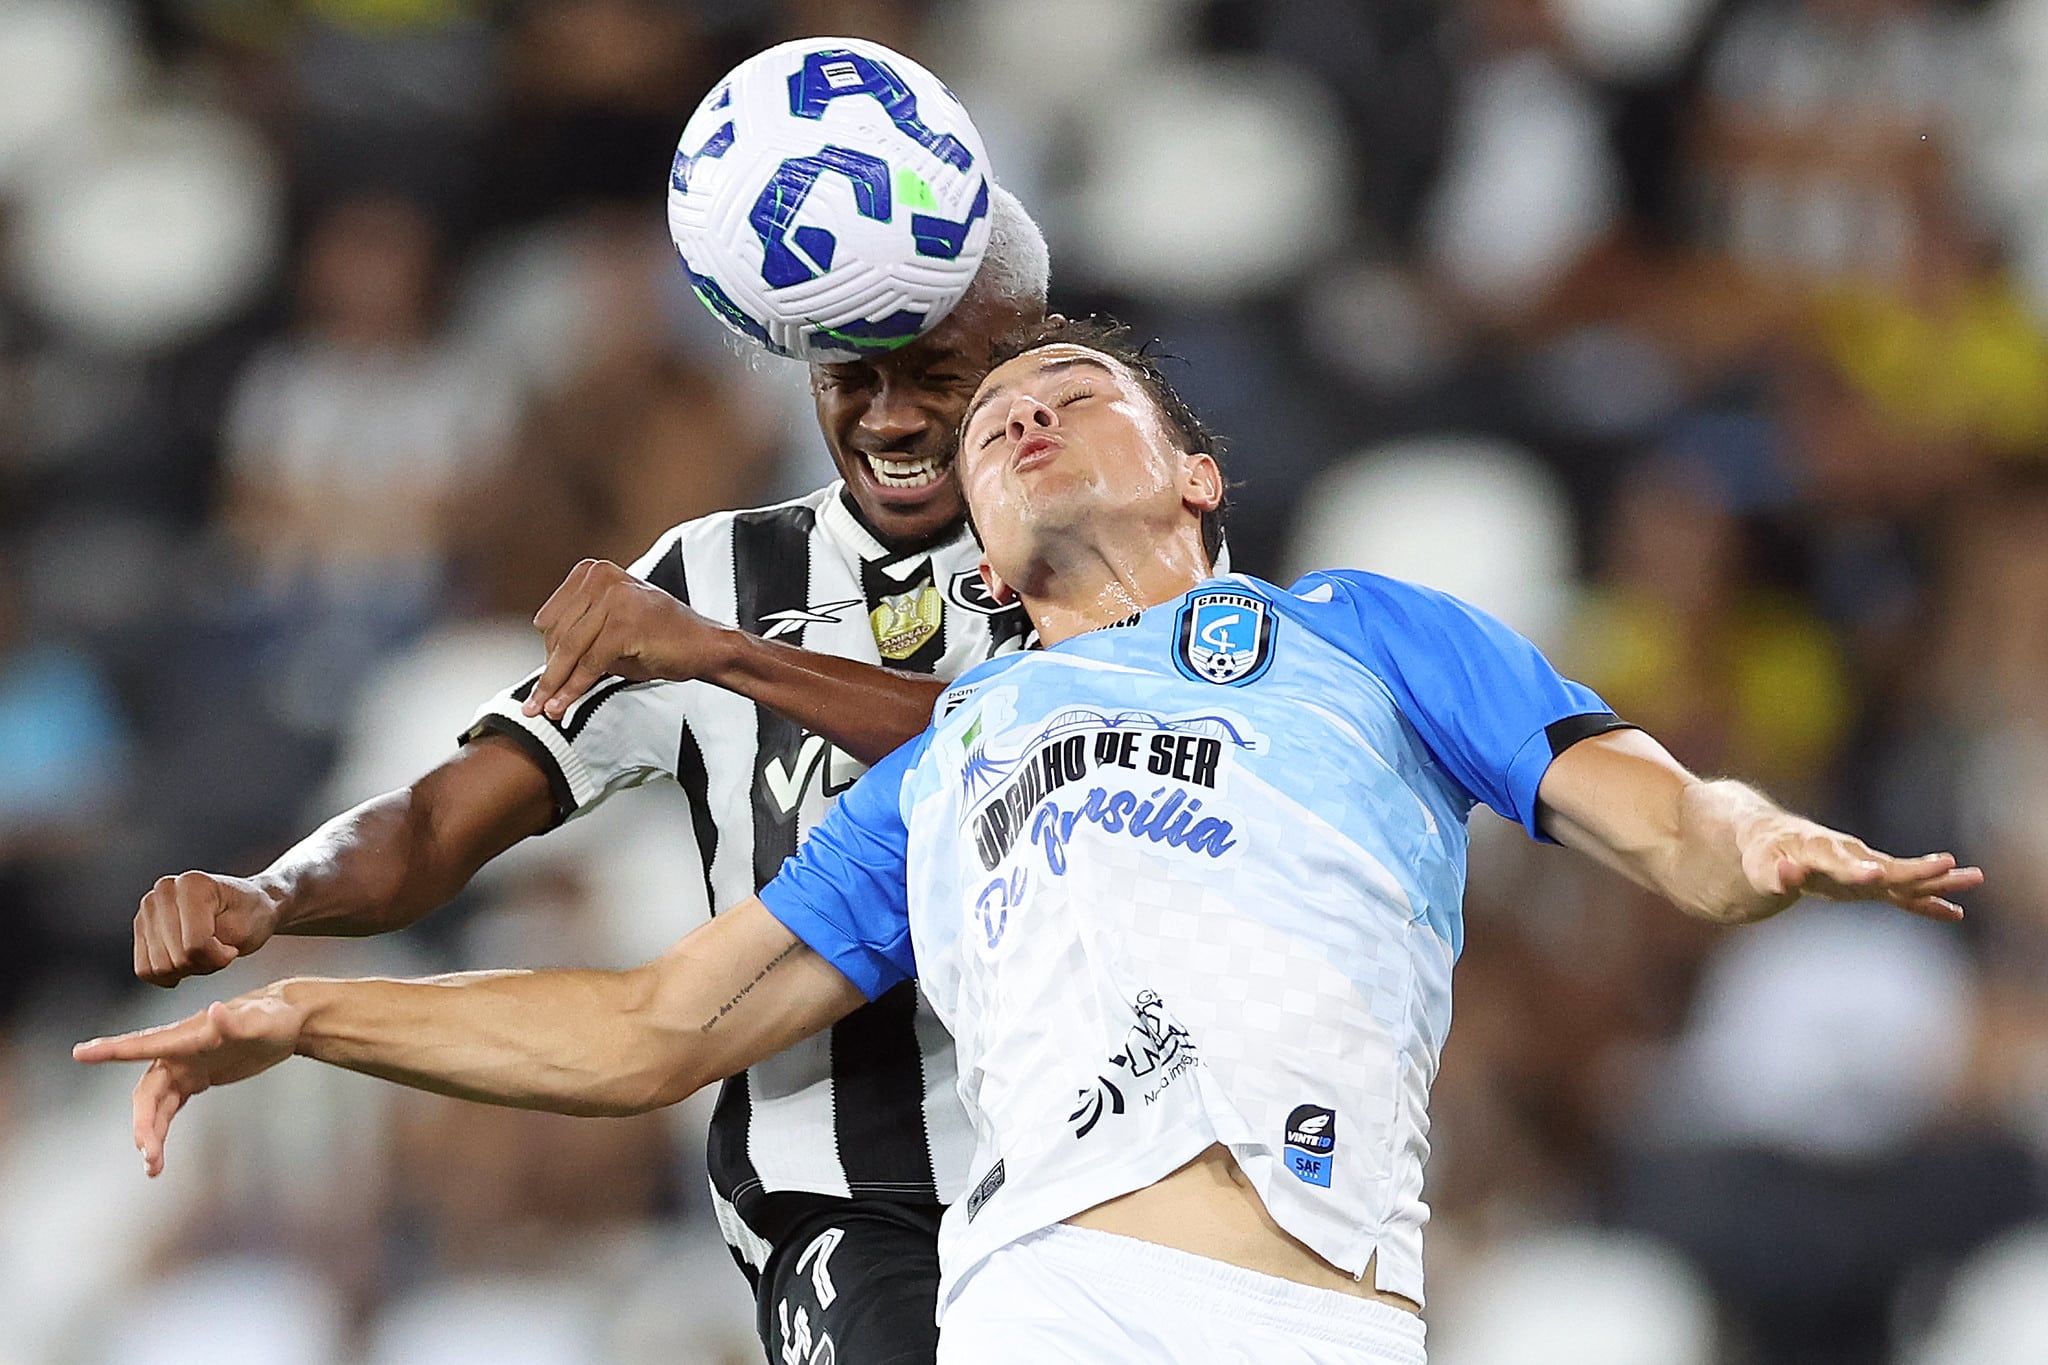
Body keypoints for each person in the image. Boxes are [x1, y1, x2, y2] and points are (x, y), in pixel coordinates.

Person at [84, 318, 1981, 1364]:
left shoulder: (1365, 638)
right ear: (975, 557)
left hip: (1334, 1310)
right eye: (998, 425)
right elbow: (654, 1032)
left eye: (1081, 396)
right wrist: (310, 1016)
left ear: (1196, 475)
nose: (1029, 415)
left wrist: (1750, 847)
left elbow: (1660, 820)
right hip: (1048, 1300)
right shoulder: (948, 754)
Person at [123, 188, 1051, 1364]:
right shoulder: (712, 575)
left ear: (1023, 356)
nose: (888, 416)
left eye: (933, 373)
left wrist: (728, 660)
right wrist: (275, 893)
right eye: (845, 379)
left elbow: (1038, 741)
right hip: (853, 1203)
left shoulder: (1097, 547)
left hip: (1102, 1167)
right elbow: (433, 824)